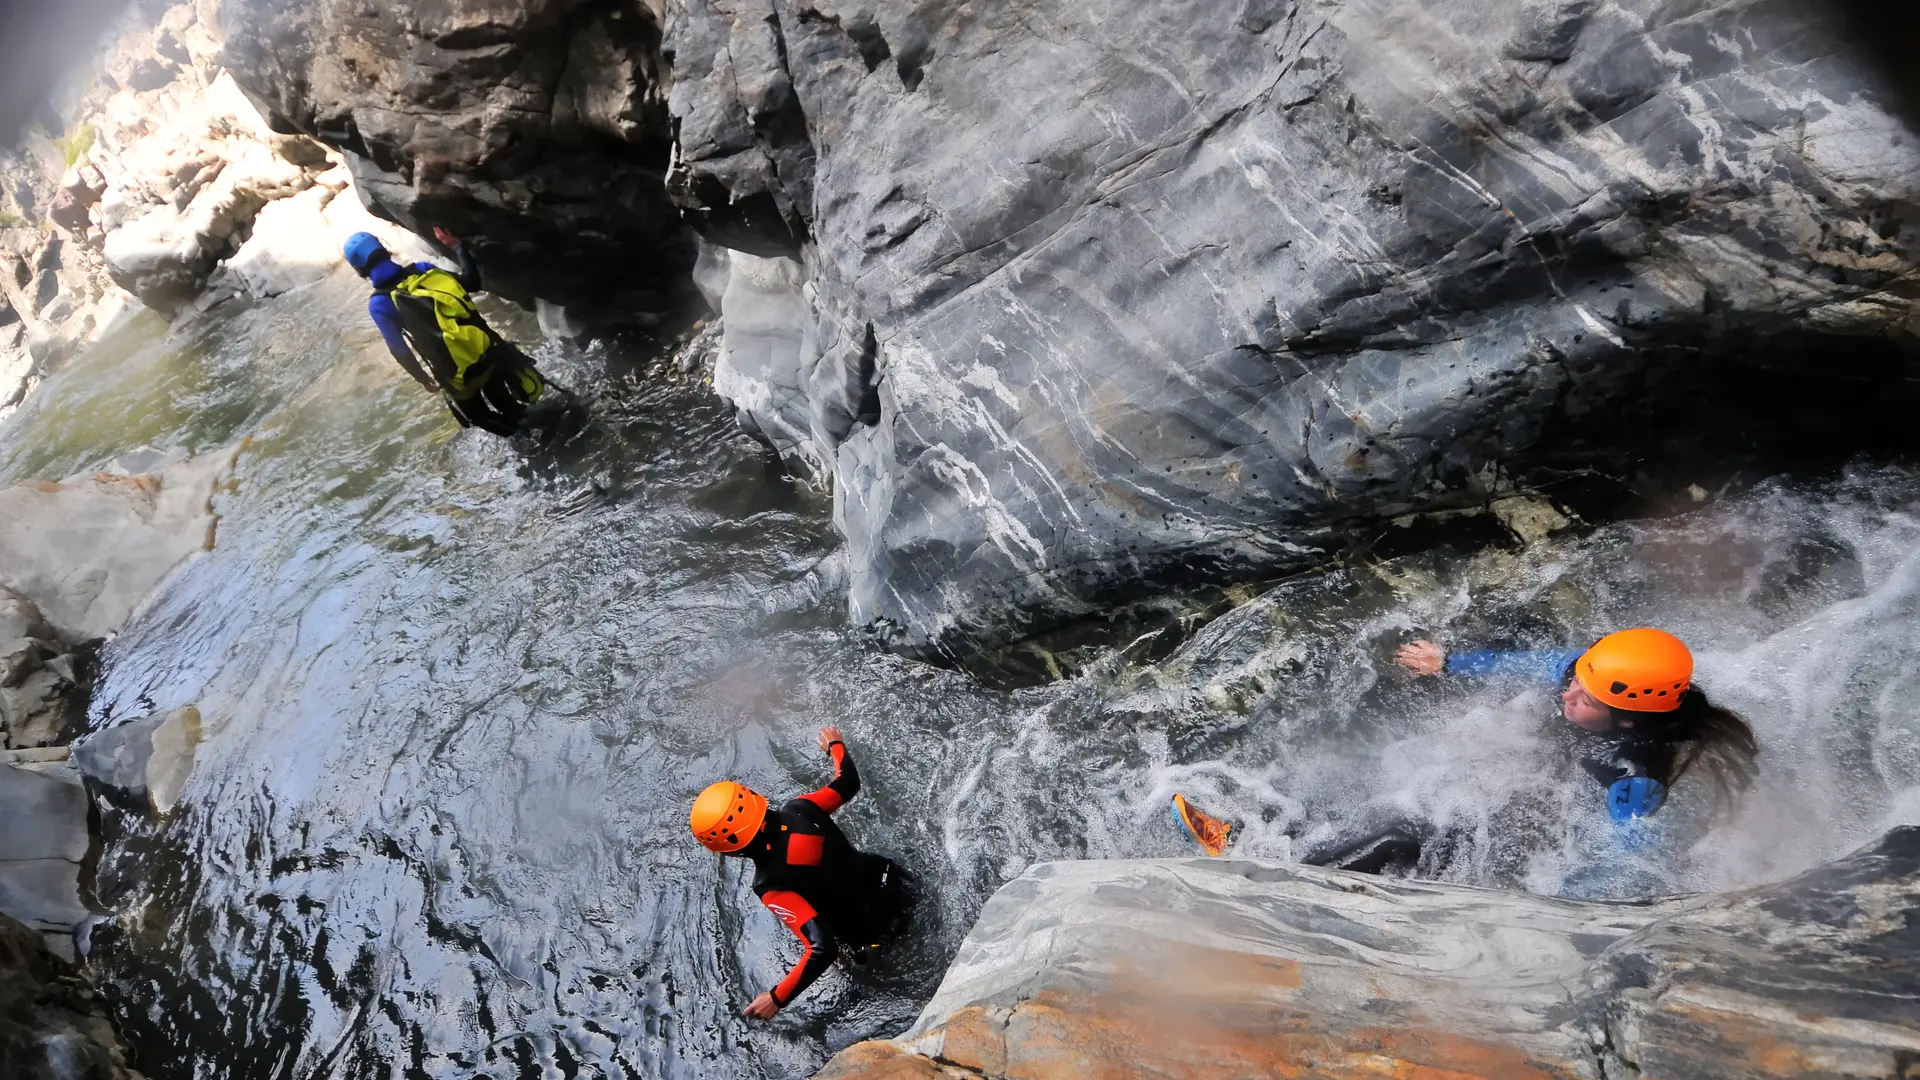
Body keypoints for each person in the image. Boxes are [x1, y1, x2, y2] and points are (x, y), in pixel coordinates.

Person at [1394, 627, 1759, 825]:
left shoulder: (1635, 776)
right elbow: (1527, 664)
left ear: (1626, 719)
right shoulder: (1588, 671)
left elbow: (1624, 862)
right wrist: (1449, 663)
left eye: (1585, 701)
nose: (1567, 696)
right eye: (1575, 686)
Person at [690, 726, 910, 1020]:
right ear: (754, 799)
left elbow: (822, 949)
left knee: (850, 962)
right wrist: (835, 745)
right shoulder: (802, 808)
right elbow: (849, 781)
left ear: (730, 851)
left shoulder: (770, 885)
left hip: (874, 933)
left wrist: (777, 998)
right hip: (895, 881)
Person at [342, 228, 550, 437]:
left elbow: (400, 350)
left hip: (453, 374)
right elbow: (471, 283)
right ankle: (544, 427)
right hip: (482, 350)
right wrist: (458, 248)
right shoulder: (422, 270)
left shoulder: (379, 304)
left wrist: (423, 379)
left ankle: (528, 438)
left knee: (479, 417)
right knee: (508, 405)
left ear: (360, 270)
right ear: (383, 248)